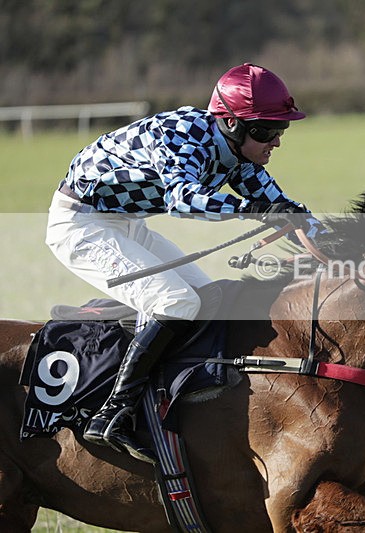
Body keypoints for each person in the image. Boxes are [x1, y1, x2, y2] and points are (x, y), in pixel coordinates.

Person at [45, 63, 322, 463]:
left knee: (206, 297)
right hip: (80, 224)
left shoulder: (241, 154)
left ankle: (172, 396)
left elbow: (288, 209)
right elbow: (183, 200)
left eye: (281, 129)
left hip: (123, 224)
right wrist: (255, 208)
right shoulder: (183, 134)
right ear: (230, 123)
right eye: (265, 130)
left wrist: (344, 250)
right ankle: (111, 414)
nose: (276, 140)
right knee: (175, 302)